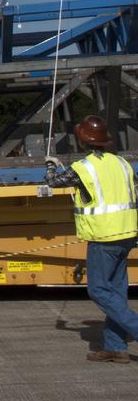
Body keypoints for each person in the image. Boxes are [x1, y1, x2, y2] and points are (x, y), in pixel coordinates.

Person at [45, 115, 138, 362]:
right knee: (116, 292)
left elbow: (53, 183)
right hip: (127, 234)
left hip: (103, 236)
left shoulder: (83, 167)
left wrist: (51, 165)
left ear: (82, 140)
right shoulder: (122, 164)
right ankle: (116, 347)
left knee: (98, 290)